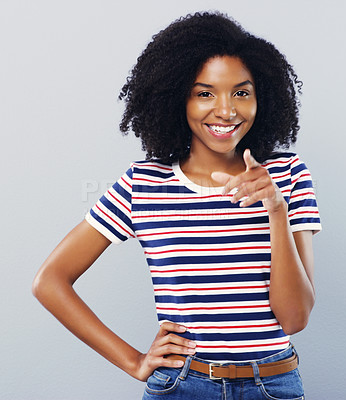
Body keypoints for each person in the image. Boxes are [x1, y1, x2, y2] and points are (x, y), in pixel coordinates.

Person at [33, 11, 321, 400]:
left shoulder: (287, 175)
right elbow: (49, 281)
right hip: (181, 386)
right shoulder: (144, 184)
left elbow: (295, 317)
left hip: (272, 385)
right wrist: (134, 361)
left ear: (261, 97)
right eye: (205, 93)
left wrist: (275, 209)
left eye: (241, 92)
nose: (226, 110)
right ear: (176, 98)